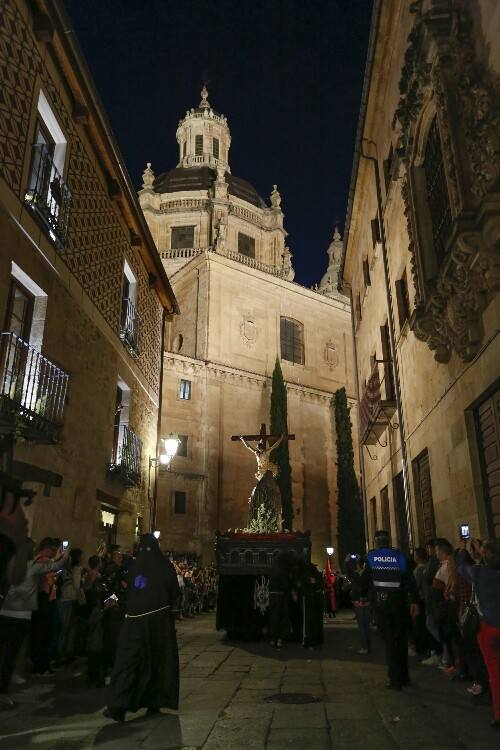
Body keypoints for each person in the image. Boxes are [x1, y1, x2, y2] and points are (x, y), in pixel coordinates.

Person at [104, 533, 180, 722]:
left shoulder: (134, 567)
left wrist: (109, 602)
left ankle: (119, 706)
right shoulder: (165, 567)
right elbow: (175, 594)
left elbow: (122, 592)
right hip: (158, 624)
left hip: (134, 623)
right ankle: (152, 703)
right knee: (156, 663)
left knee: (129, 663)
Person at [0, 540, 69, 709]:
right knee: (10, 653)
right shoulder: (32, 566)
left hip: (5, 612)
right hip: (21, 615)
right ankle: (2, 690)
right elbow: (58, 565)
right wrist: (65, 552)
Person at [366, 530, 419, 690]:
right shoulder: (399, 556)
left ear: (376, 542)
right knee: (401, 640)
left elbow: (365, 580)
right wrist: (415, 601)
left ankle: (394, 680)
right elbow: (410, 580)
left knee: (389, 643)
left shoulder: (371, 557)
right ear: (389, 541)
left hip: (382, 605)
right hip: (400, 604)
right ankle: (404, 677)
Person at [456, 538, 500, 730]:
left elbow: (460, 566)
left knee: (495, 671)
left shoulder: (481, 573)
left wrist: (464, 549)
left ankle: (499, 714)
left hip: (490, 628)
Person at [268, 552, 292, 649]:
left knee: (273, 618)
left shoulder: (272, 570)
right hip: (281, 597)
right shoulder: (282, 570)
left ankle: (273, 640)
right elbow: (285, 585)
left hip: (272, 597)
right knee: (282, 618)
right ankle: (280, 640)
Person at [349, 555, 372, 655]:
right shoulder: (368, 573)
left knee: (362, 625)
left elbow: (354, 587)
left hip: (358, 601)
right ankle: (368, 646)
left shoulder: (355, 575)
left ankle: (364, 647)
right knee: (366, 625)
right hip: (366, 601)